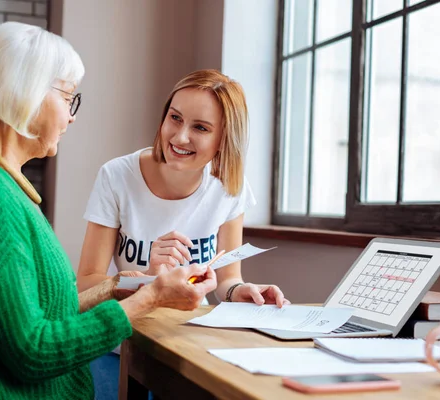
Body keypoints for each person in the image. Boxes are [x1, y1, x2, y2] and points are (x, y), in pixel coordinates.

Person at [0, 22, 217, 400]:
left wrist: (119, 286)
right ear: (29, 95)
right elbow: (32, 350)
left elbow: (39, 309)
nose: (72, 116)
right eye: (68, 97)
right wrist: (149, 300)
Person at [77, 69, 289, 400]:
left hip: (186, 342)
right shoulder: (117, 176)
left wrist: (242, 291)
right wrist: (146, 278)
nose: (179, 137)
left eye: (200, 128)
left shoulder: (228, 189)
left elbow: (225, 279)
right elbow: (87, 283)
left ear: (224, 139)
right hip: (120, 343)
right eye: (174, 119)